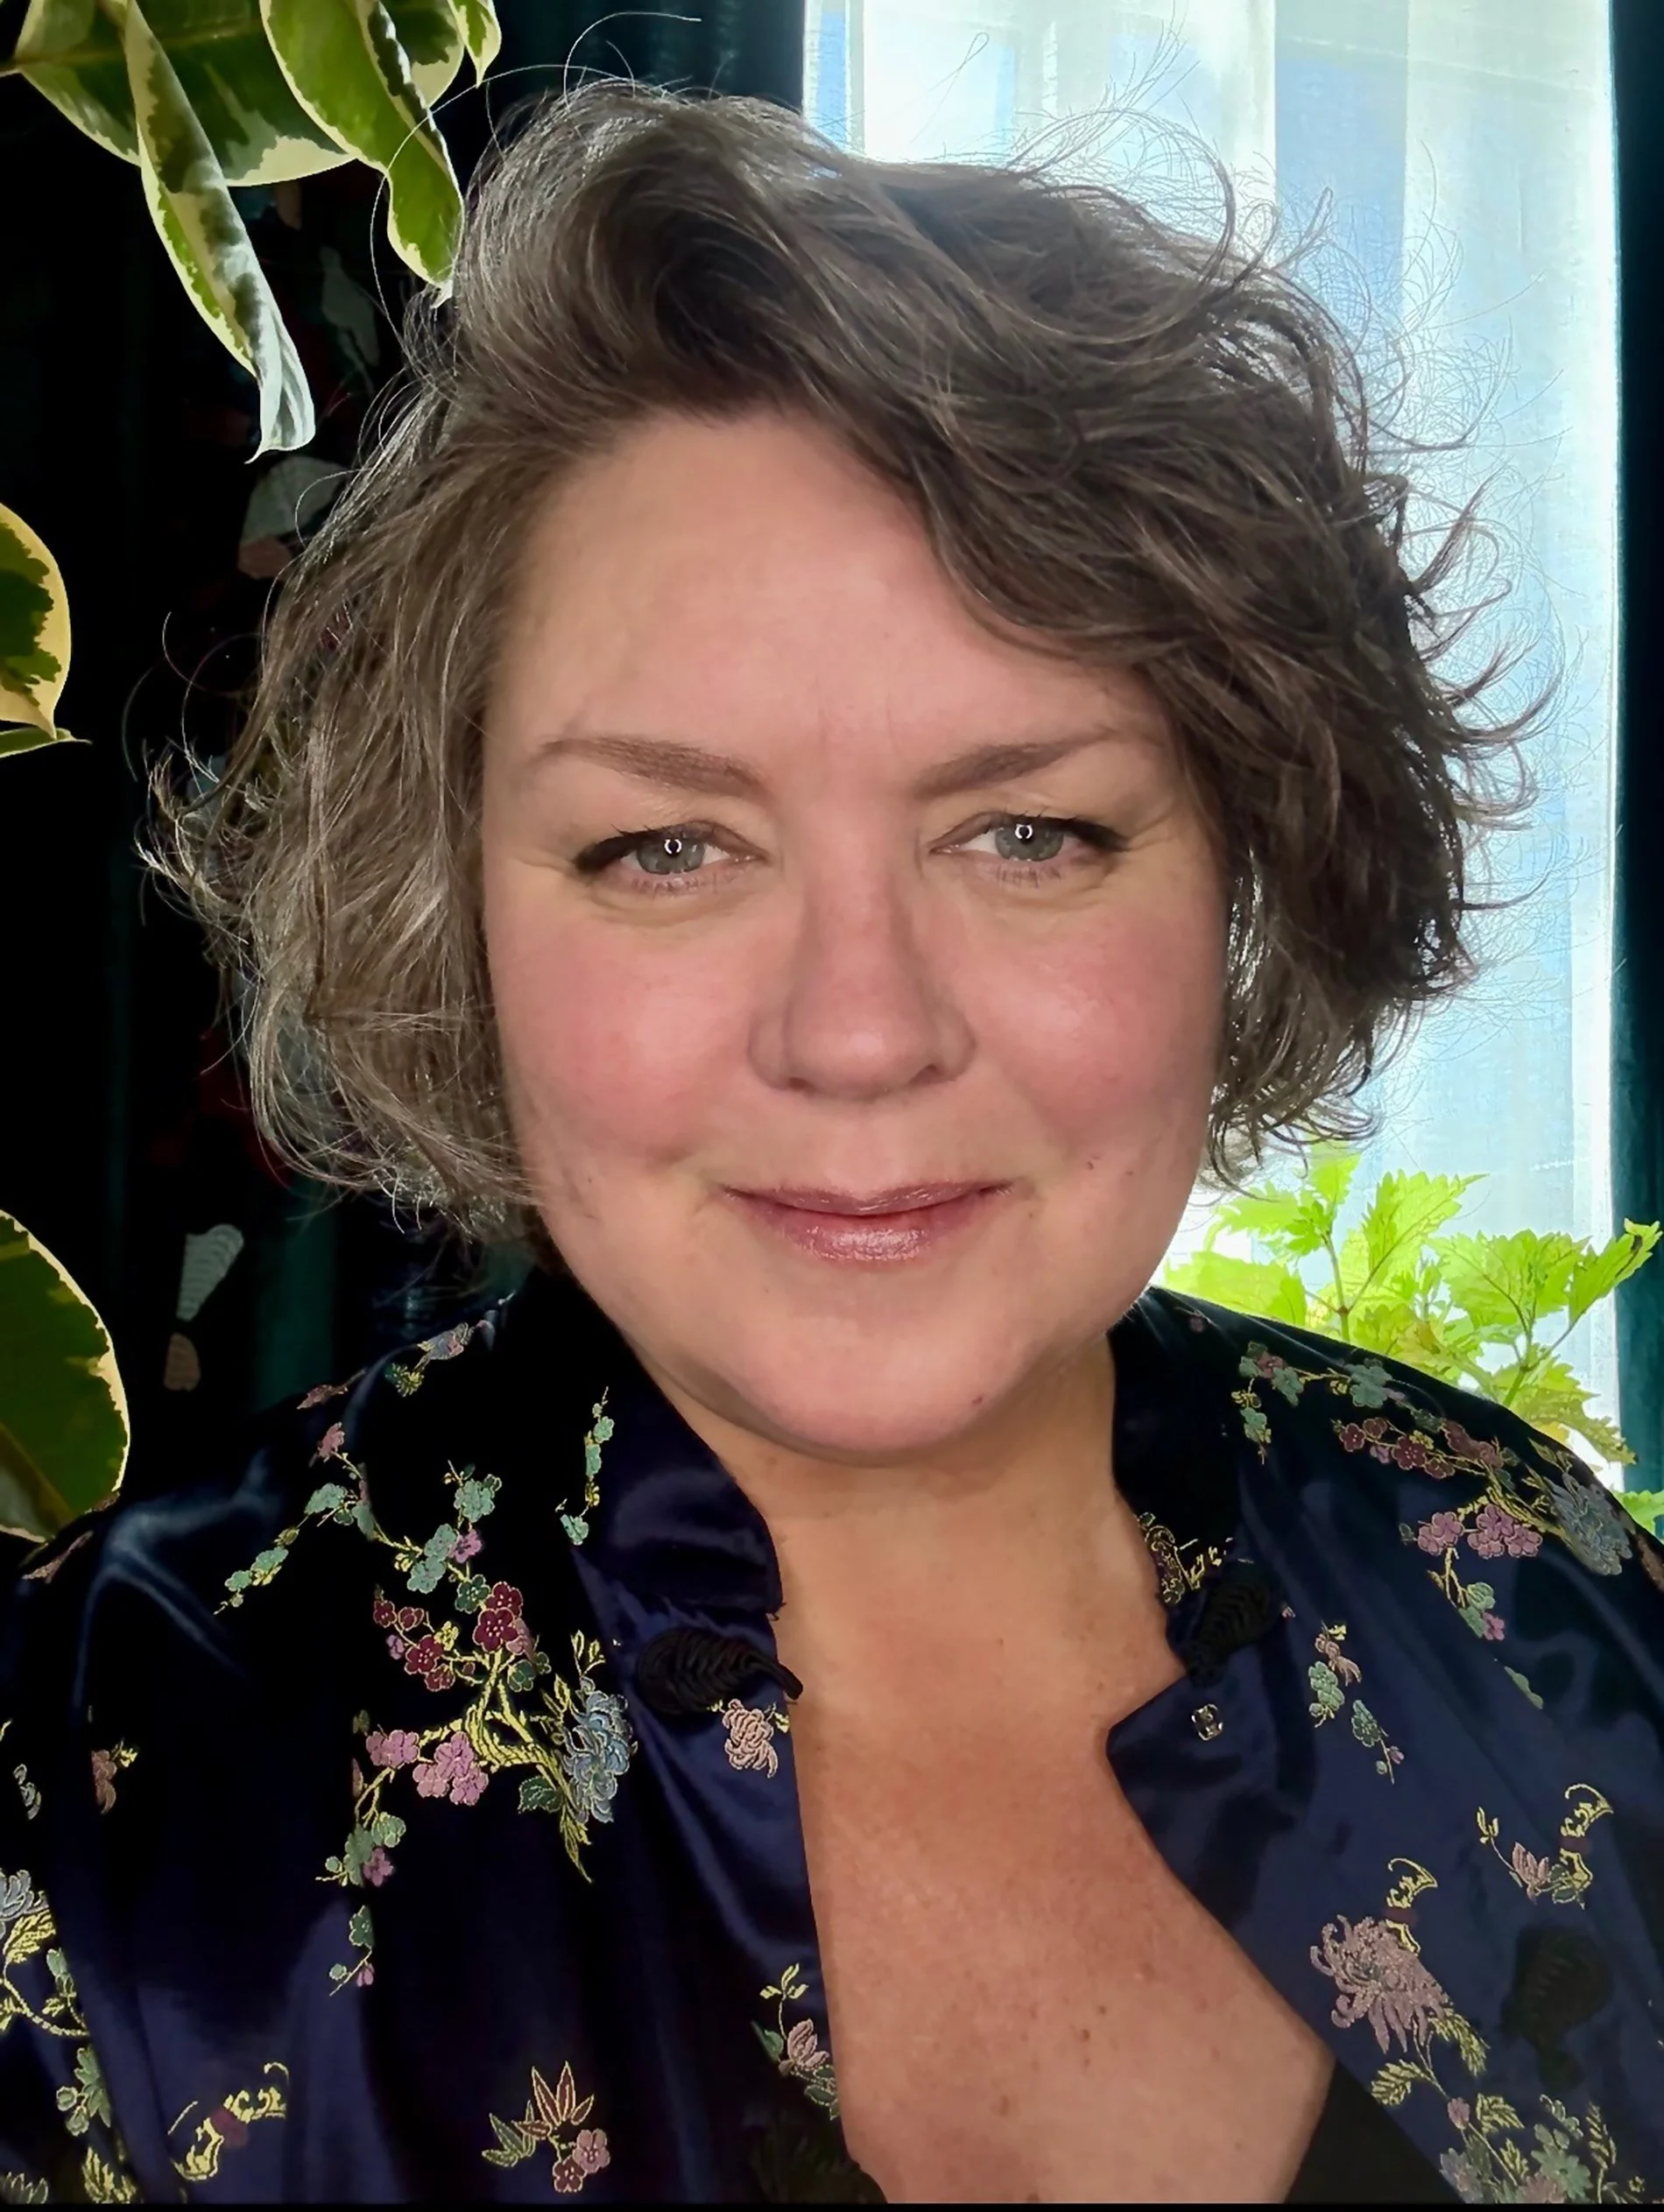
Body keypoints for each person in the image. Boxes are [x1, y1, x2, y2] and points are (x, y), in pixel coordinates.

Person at [1, 79, 1660, 2207]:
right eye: (667, 844)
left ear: (1250, 863)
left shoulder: (1533, 1600)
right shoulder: (95, 1799)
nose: (858, 1032)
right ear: (458, 903)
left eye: (1026, 830)